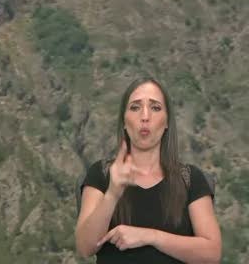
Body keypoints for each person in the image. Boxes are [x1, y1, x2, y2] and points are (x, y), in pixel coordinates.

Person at [74, 77, 222, 262]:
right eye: (135, 107)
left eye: (155, 108)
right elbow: (85, 247)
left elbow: (212, 253)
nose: (145, 116)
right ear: (124, 122)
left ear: (167, 121)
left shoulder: (191, 179)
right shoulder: (101, 174)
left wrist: (150, 237)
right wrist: (112, 194)